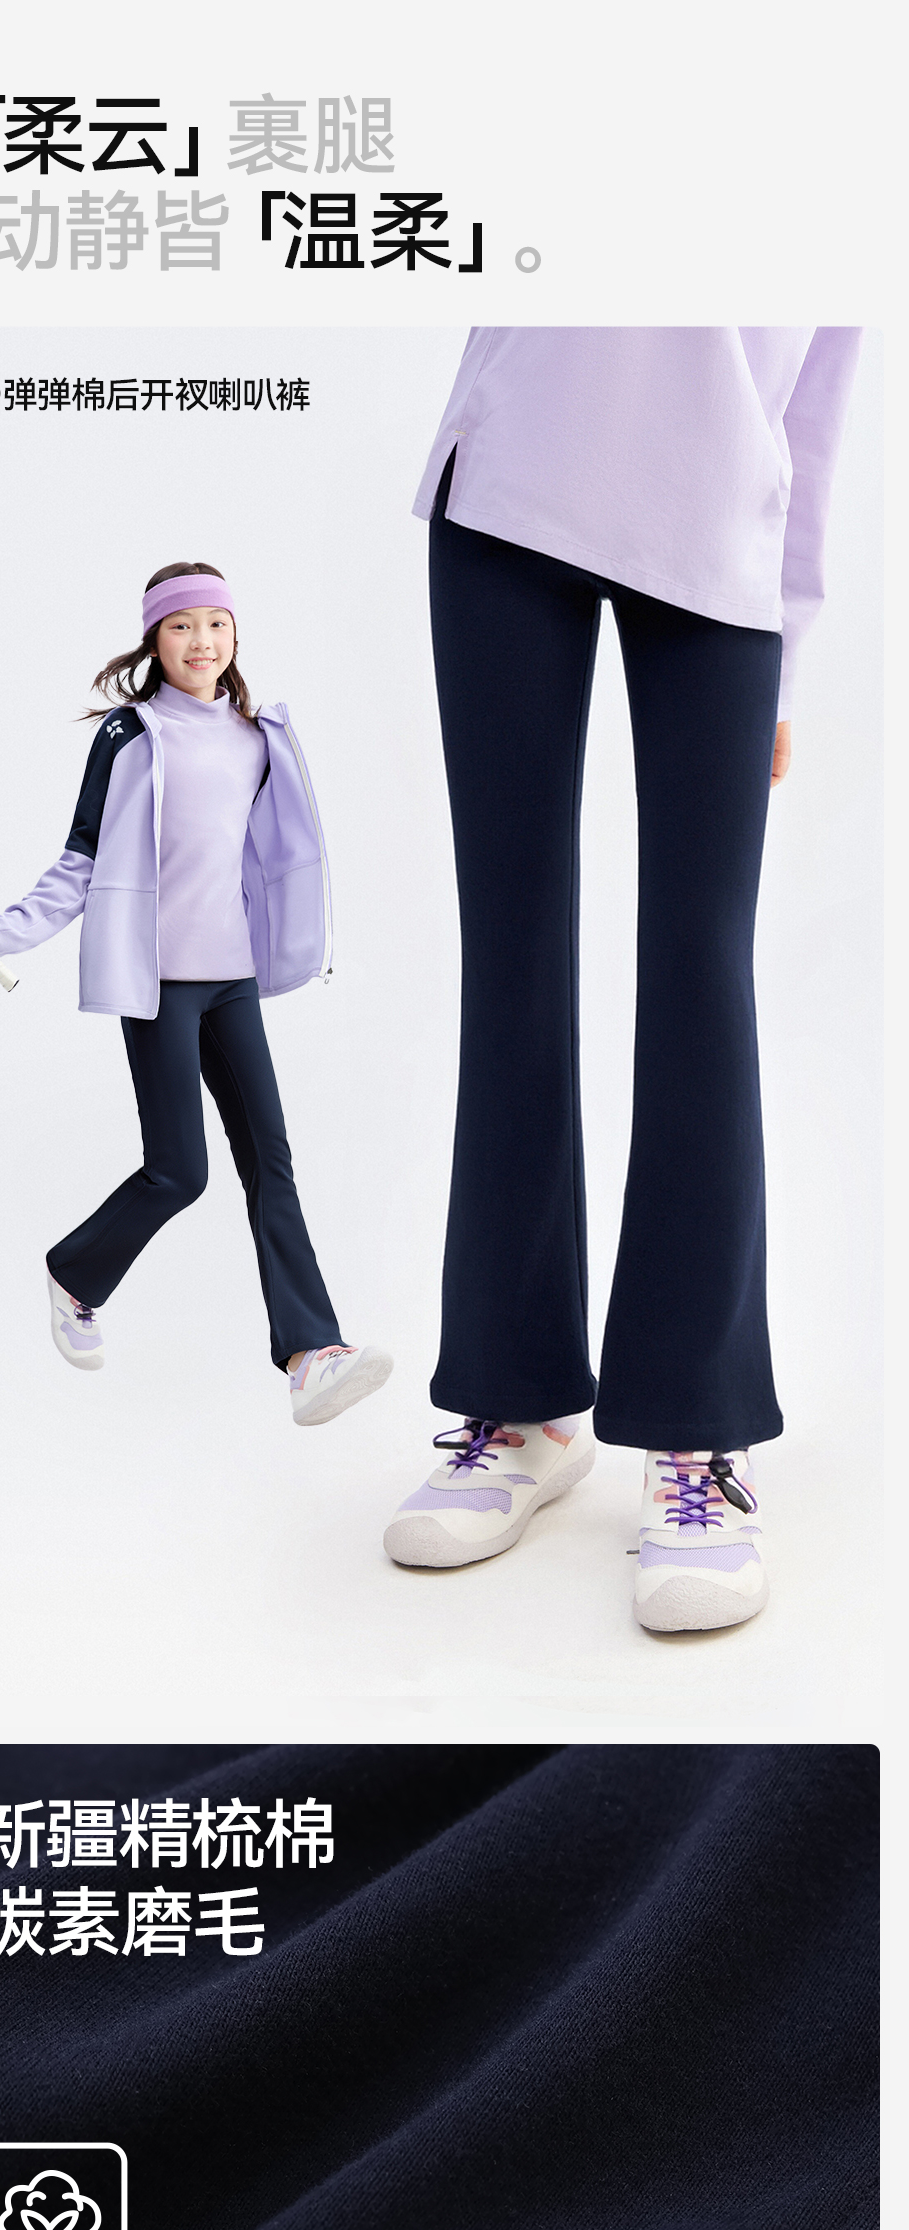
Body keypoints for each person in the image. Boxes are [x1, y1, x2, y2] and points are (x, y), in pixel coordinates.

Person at [384, 329, 862, 1629]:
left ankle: (696, 1428)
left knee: (702, 974)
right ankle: (518, 1406)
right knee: (512, 957)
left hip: (720, 531)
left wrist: (790, 638)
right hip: (506, 496)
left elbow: (822, 391)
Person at [0, 560, 392, 1428]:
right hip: (158, 985)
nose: (202, 641)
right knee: (180, 1172)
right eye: (182, 626)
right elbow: (81, 858)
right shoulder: (131, 733)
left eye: (216, 624)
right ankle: (74, 1273)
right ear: (155, 639)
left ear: (236, 634)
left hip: (233, 979)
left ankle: (311, 1354)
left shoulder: (259, 736)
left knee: (271, 1163)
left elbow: (275, 852)